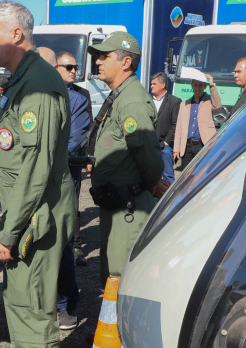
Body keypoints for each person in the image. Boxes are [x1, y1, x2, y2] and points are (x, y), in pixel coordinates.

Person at [0, 1, 76, 348]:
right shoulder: (24, 80)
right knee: (20, 300)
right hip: (26, 213)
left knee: (32, 304)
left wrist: (8, 231)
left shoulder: (39, 85)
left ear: (16, 35)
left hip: (34, 218)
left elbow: (36, 173)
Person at [87, 32, 164, 286]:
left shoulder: (131, 101)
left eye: (104, 56)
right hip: (117, 206)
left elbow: (147, 153)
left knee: (120, 279)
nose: (98, 61)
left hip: (128, 208)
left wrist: (152, 185)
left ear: (126, 62)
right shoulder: (120, 96)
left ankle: (120, 327)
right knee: (112, 274)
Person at [46, 48, 92, 330]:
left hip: (63, 175)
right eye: (68, 67)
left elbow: (74, 139)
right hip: (40, 179)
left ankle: (65, 304)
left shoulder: (77, 98)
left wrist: (44, 164)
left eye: (75, 67)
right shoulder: (38, 94)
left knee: (62, 240)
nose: (74, 71)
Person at [173, 73, 220, 171]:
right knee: (186, 176)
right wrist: (176, 149)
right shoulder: (184, 104)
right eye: (195, 85)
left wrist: (212, 85)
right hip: (187, 146)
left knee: (201, 173)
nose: (197, 88)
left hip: (202, 145)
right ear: (192, 86)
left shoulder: (208, 101)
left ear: (204, 87)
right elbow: (179, 128)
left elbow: (217, 105)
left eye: (200, 85)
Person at [150, 72, 181, 184]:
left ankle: (169, 199)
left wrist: (166, 142)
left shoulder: (174, 101)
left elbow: (176, 124)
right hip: (149, 146)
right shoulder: (147, 100)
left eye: (154, 84)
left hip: (165, 147)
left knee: (167, 175)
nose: (151, 86)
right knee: (150, 175)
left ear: (163, 85)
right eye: (151, 84)